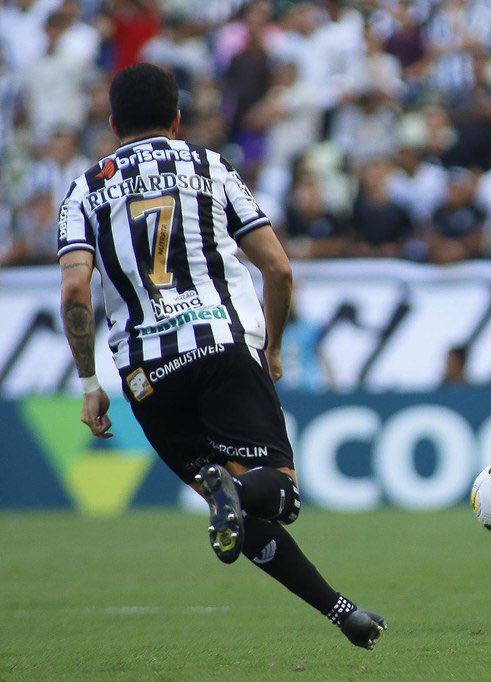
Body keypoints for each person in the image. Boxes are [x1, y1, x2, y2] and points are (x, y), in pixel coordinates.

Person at [56, 63, 386, 649]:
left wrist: (88, 383)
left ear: (111, 124)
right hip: (220, 346)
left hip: (144, 375)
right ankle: (236, 497)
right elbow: (279, 267)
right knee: (276, 491)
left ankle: (342, 613)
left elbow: (75, 290)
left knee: (235, 504)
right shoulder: (208, 165)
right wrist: (275, 347)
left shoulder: (83, 190)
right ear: (178, 120)